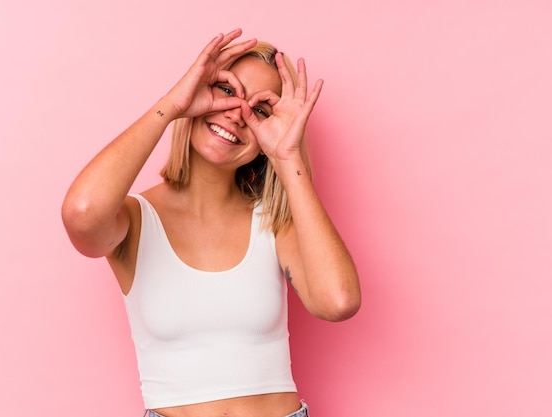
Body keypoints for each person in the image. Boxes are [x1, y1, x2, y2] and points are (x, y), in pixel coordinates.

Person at [62, 28, 361, 417]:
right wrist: (173, 105)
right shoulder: (134, 220)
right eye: (226, 91)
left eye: (261, 110)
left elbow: (338, 302)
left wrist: (288, 159)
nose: (238, 114)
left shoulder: (273, 221)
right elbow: (82, 213)